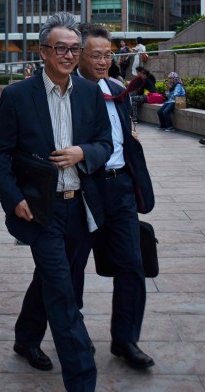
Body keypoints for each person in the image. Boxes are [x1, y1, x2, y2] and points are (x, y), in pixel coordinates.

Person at [0, 12, 112, 392]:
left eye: (75, 49)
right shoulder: (17, 96)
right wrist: (14, 199)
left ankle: (26, 338)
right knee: (63, 293)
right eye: (61, 48)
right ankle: (82, 380)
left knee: (51, 277)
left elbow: (105, 144)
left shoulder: (91, 93)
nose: (69, 55)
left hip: (81, 207)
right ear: (43, 52)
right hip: (41, 210)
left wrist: (82, 153)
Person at [74, 25, 155, 369]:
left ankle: (126, 339)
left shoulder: (116, 88)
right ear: (77, 55)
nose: (104, 61)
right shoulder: (67, 93)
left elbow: (126, 137)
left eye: (108, 54)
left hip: (119, 187)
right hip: (81, 190)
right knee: (69, 267)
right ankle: (69, 334)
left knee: (132, 266)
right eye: (96, 54)